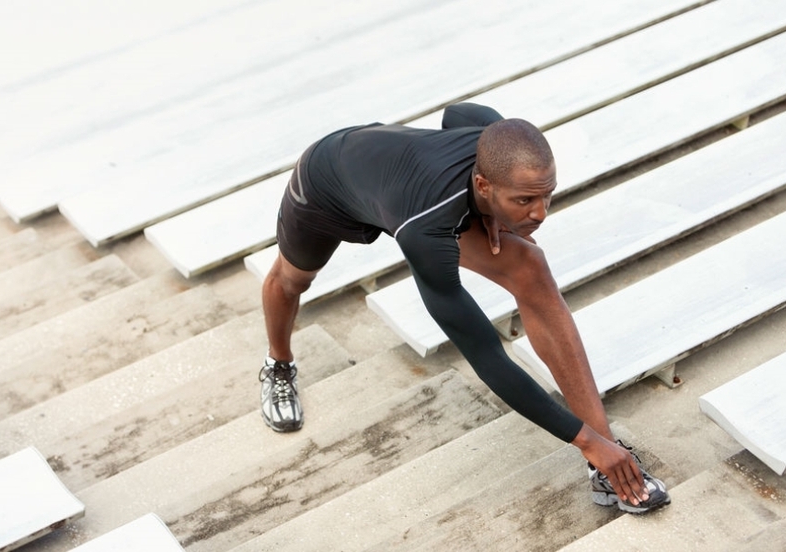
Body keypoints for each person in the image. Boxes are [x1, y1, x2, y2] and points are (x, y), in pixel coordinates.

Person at [258, 103, 670, 514]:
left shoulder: (495, 141)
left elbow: (459, 113)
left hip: (395, 175)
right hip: (323, 183)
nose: (540, 213)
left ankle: (606, 459)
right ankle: (278, 364)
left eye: (547, 196)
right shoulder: (426, 229)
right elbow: (485, 353)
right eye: (525, 199)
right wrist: (579, 438)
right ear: (483, 184)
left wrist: (493, 213)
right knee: (293, 280)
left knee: (530, 265)